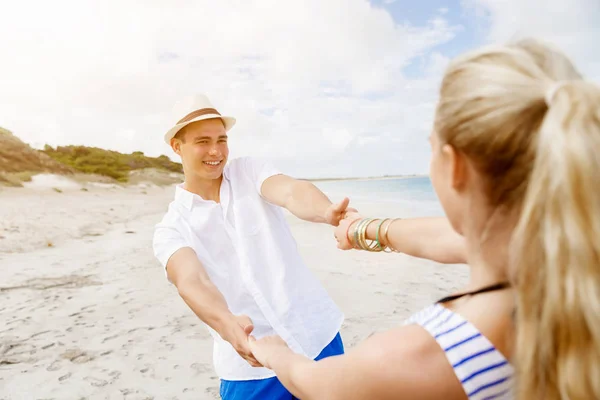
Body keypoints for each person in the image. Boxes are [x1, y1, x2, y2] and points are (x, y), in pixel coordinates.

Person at [248, 39, 600, 400]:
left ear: (456, 167)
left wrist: (275, 355)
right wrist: (364, 229)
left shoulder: (428, 356)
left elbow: (318, 386)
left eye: (431, 148)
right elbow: (447, 238)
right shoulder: (570, 258)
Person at [152, 94, 355, 399]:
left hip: (316, 339)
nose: (216, 151)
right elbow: (191, 281)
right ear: (177, 146)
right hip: (252, 369)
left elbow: (290, 191)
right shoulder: (171, 228)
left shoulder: (248, 172)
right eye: (202, 141)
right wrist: (228, 326)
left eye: (222, 140)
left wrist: (326, 212)